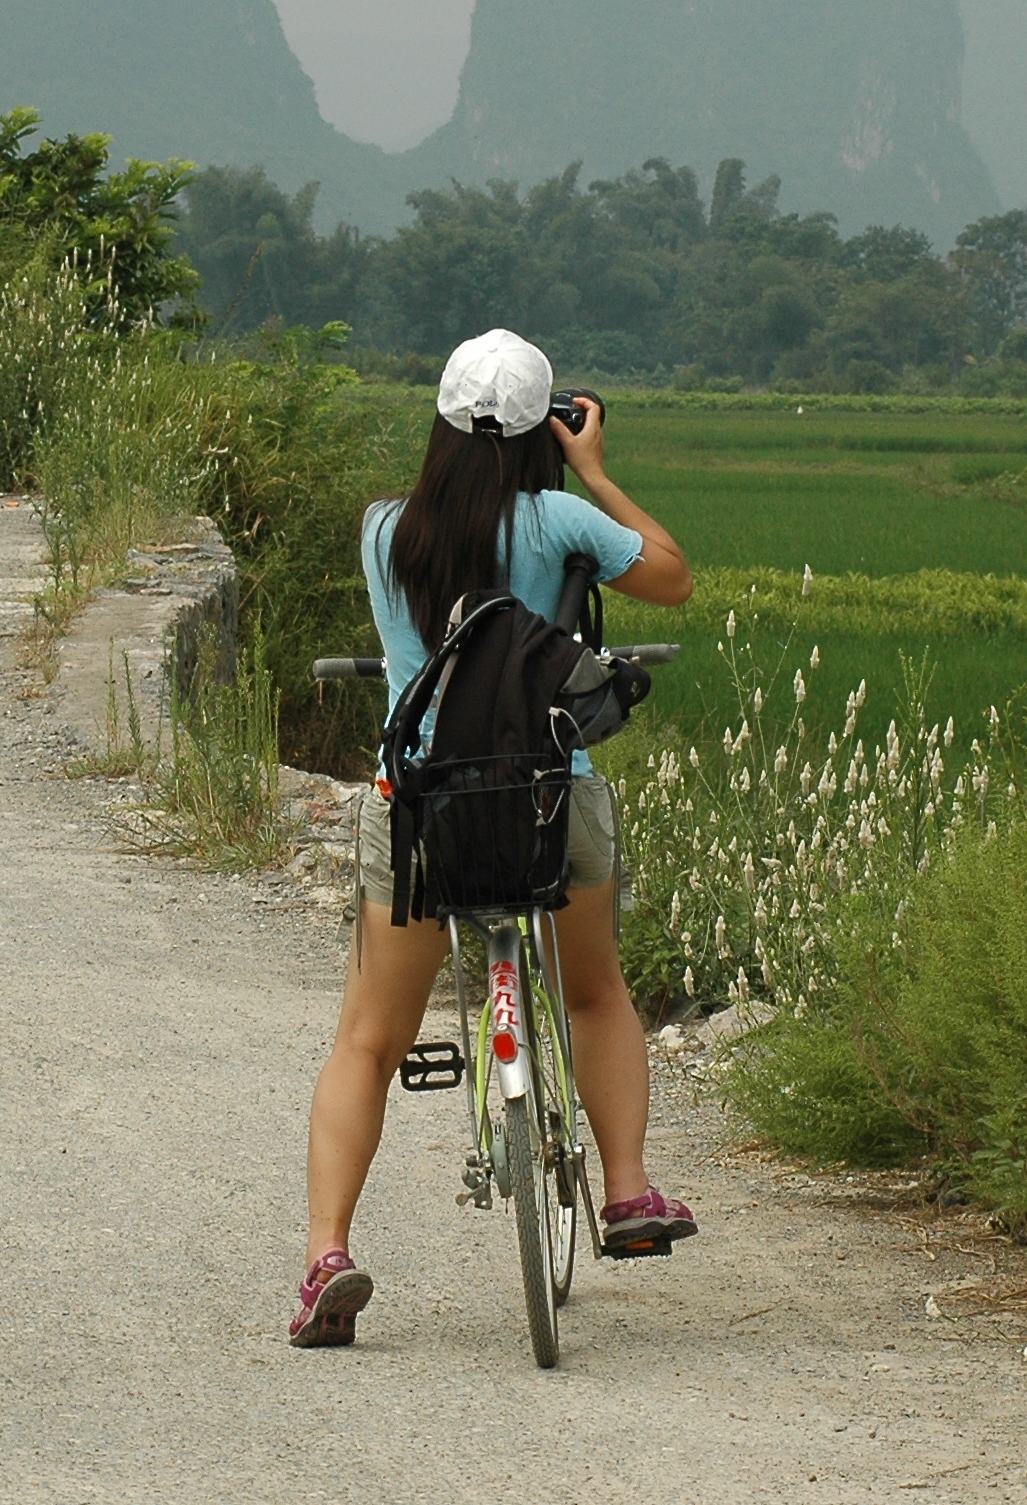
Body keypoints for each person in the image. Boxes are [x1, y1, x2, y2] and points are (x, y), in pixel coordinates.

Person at [290, 327, 699, 1347]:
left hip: (420, 807)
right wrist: (593, 470)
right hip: (547, 801)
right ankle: (627, 1190)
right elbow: (670, 576)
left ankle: (326, 1255)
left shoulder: (387, 530)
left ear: (438, 421)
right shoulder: (560, 517)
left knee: (367, 1039)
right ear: (540, 430)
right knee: (596, 990)